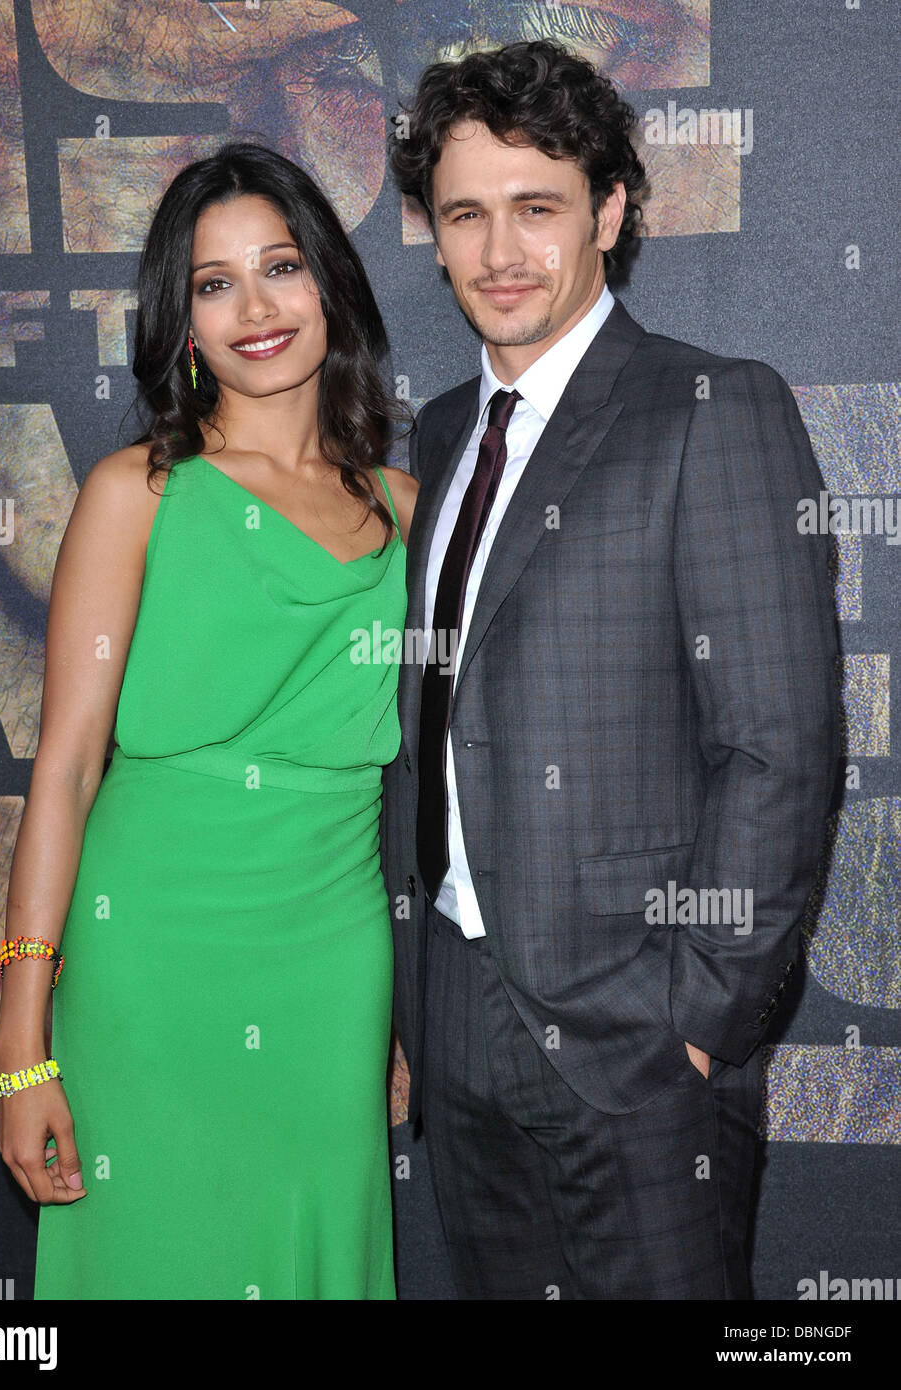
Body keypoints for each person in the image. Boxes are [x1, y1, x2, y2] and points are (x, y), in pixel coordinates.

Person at [382, 40, 841, 1299]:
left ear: (611, 211)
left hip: (636, 1046)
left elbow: (780, 747)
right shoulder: (438, 432)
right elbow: (428, 731)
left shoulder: (712, 408)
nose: (499, 252)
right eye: (466, 215)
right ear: (432, 234)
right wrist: (414, 1002)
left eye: (537, 208)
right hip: (457, 1028)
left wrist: (698, 1021)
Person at [0, 141, 418, 1300]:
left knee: (302, 1249)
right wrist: (22, 1033)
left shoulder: (408, 510)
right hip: (148, 955)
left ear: (328, 281)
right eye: (213, 283)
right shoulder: (137, 492)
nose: (256, 308)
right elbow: (69, 766)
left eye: (279, 267)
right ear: (181, 322)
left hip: (328, 961)